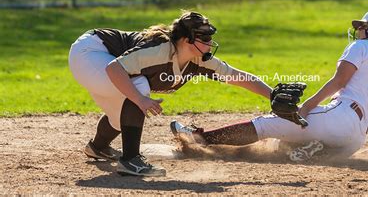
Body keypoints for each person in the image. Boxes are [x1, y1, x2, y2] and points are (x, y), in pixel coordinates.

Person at [171, 8, 368, 160]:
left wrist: (307, 107)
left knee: (267, 125)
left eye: (363, 26)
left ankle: (199, 139)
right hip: (354, 139)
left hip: (339, 119)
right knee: (282, 145)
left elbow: (339, 81)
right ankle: (314, 149)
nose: (358, 29)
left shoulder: (361, 47)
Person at [68, 11, 272, 176]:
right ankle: (130, 161)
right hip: (90, 52)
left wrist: (272, 96)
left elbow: (236, 76)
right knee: (138, 86)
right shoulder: (160, 50)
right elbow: (114, 69)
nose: (210, 43)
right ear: (186, 40)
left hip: (102, 58)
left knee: (121, 115)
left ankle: (98, 147)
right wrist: (140, 99)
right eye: (205, 37)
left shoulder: (199, 59)